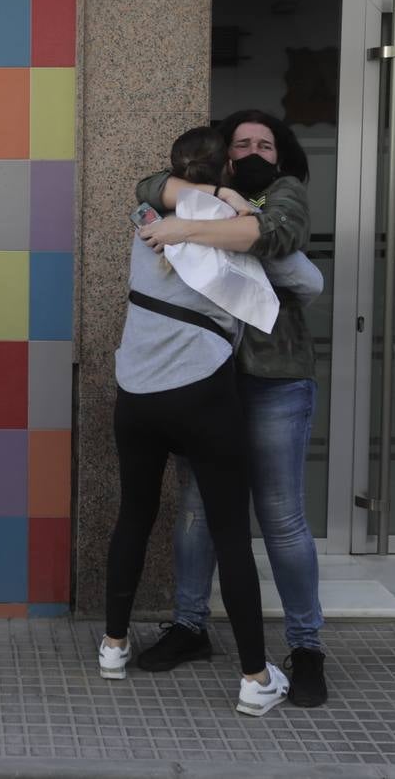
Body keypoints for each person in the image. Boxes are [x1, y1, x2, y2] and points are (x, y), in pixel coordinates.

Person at [103, 126, 322, 717]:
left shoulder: (168, 216)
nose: (253, 154)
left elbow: (157, 197)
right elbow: (307, 280)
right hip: (209, 391)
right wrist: (228, 225)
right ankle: (247, 669)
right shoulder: (210, 215)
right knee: (223, 523)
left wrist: (192, 223)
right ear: (224, 162)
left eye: (265, 146)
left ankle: (304, 649)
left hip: (236, 385)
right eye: (241, 146)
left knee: (274, 519)